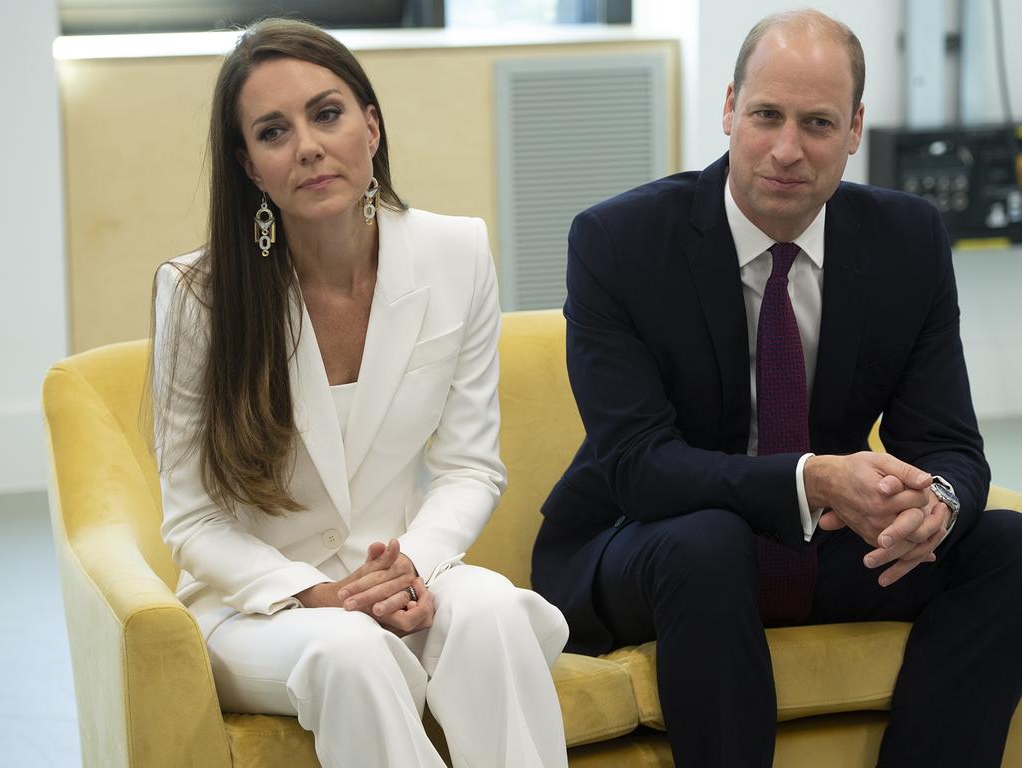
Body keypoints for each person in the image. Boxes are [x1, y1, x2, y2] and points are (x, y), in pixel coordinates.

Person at [532, 9, 1022, 767]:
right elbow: (638, 465)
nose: (786, 150)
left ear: (855, 129)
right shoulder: (619, 243)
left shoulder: (908, 241)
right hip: (645, 544)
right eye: (766, 115)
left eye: (818, 123)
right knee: (708, 541)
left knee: (1008, 545)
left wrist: (938, 504)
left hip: (812, 547)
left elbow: (950, 444)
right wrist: (812, 477)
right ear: (729, 108)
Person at [152, 18, 569, 768]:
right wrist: (315, 594)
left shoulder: (457, 252)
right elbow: (192, 521)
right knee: (353, 654)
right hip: (265, 606)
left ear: (370, 128)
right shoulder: (198, 296)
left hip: (402, 566)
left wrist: (407, 566)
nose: (308, 145)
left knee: (497, 613)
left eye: (328, 113)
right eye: (273, 131)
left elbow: (471, 467)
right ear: (249, 165)